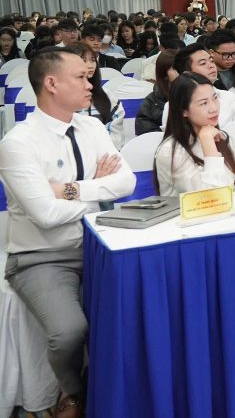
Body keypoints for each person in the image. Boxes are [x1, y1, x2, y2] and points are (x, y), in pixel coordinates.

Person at [0, 47, 136, 417]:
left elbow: (125, 182)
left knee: (137, 307)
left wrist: (69, 189)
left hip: (100, 243)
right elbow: (45, 214)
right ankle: (74, 391)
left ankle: (120, 388)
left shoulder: (91, 127)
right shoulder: (17, 144)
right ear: (51, 83)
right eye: (80, 77)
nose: (91, 83)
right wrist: (97, 192)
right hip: (41, 257)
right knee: (68, 331)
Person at [155, 72, 235, 196]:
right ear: (183, 111)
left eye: (215, 98)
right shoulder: (170, 151)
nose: (214, 108)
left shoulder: (222, 137)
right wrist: (208, 143)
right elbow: (213, 196)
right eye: (204, 103)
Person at [163, 45, 235, 127]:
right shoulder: (173, 105)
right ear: (187, 73)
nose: (211, 66)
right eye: (203, 63)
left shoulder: (229, 97)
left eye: (211, 61)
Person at [64, 42, 127, 148]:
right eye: (84, 60)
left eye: (93, 60)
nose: (90, 65)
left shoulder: (107, 96)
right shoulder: (59, 98)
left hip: (105, 154)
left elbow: (116, 135)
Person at [136, 50, 178, 135]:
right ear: (164, 73)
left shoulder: (195, 94)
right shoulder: (150, 103)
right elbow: (148, 136)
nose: (179, 71)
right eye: (174, 68)